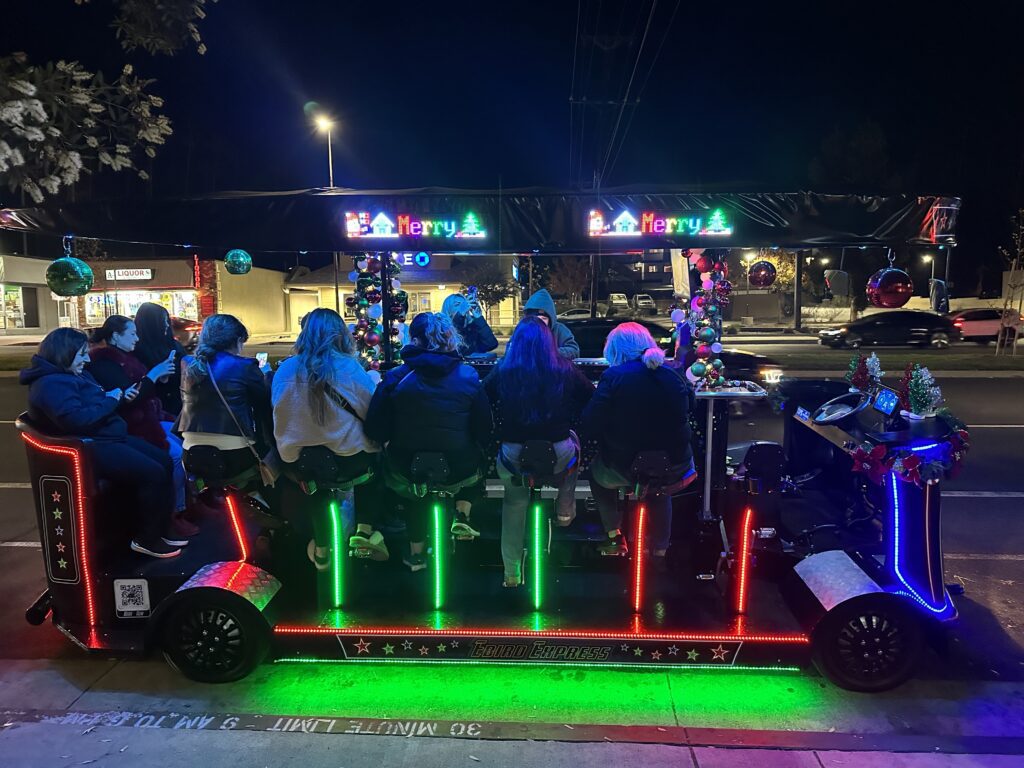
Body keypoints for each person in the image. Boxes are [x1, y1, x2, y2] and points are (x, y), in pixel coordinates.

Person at [20, 328, 184, 558]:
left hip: (109, 435)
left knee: (165, 460)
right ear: (63, 354)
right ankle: (147, 539)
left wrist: (114, 397)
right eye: (81, 355)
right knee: (153, 473)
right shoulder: (50, 384)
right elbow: (77, 419)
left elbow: (94, 402)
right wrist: (110, 400)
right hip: (92, 444)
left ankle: (160, 528)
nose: (87, 360)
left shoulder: (74, 374)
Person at [364, 312, 492, 572]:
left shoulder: (396, 377)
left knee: (413, 495)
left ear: (413, 340)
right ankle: (463, 512)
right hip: (459, 465)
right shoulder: (468, 376)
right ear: (450, 339)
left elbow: (375, 428)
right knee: (479, 465)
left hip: (405, 464)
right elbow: (484, 430)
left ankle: (416, 555)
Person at [272, 308, 387, 570]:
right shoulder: (348, 367)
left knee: (315, 486)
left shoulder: (286, 370)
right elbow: (372, 411)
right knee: (374, 471)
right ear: (340, 335)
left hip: (302, 460)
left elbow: (280, 415)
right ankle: (365, 531)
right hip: (351, 460)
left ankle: (322, 547)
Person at [483, 316, 594, 587]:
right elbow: (591, 397)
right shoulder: (565, 368)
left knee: (513, 504)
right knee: (574, 445)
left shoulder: (503, 370)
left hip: (513, 457)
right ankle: (565, 509)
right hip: (558, 456)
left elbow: (482, 398)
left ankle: (511, 572)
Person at [581, 322, 697, 565]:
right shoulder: (674, 373)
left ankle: (614, 535)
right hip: (676, 468)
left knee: (597, 475)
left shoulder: (613, 376)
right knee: (659, 487)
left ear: (615, 349)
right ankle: (660, 551)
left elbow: (590, 422)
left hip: (623, 467)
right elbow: (690, 408)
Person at [88, 315, 195, 536]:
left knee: (185, 441)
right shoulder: (105, 362)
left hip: (149, 417)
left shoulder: (127, 356)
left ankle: (187, 502)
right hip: (131, 425)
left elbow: (143, 392)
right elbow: (130, 397)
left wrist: (158, 378)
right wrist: (154, 375)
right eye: (132, 334)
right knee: (173, 456)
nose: (137, 338)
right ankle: (173, 512)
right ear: (116, 336)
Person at [175, 314, 276, 491]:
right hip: (235, 453)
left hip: (190, 452)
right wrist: (266, 375)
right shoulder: (245, 366)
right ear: (237, 341)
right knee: (279, 456)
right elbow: (266, 402)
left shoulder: (189, 365)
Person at [133, 302, 187, 417]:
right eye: (163, 320)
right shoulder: (137, 349)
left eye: (167, 320)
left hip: (178, 404)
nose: (167, 325)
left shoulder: (173, 345)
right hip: (153, 409)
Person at [523, 289, 580, 360]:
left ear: (550, 319)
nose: (539, 322)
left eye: (543, 318)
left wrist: (551, 353)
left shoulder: (559, 330)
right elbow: (511, 351)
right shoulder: (523, 330)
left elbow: (574, 350)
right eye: (536, 318)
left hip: (553, 369)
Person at [441, 292, 498, 357]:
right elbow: (458, 350)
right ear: (448, 309)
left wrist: (479, 318)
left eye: (464, 304)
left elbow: (491, 344)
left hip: (474, 366)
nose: (464, 307)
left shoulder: (473, 326)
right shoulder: (442, 329)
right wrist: (459, 315)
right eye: (457, 304)